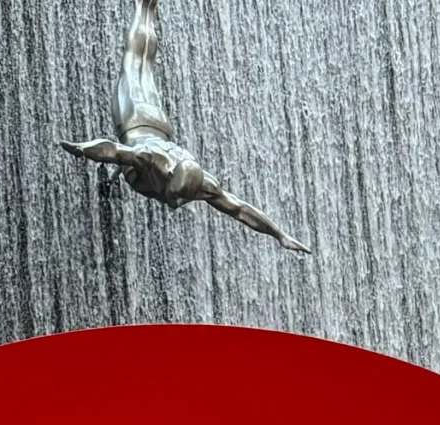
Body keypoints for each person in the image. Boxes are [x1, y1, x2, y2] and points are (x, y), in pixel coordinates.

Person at [60, 0, 308, 251]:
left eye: (183, 197)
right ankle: (142, 7)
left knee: (146, 66)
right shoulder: (151, 158)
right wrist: (80, 149)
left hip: (159, 126)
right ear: (170, 174)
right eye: (177, 194)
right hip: (134, 118)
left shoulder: (203, 185)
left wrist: (280, 235)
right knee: (134, 62)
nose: (177, 203)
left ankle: (148, 9)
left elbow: (240, 209)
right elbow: (112, 150)